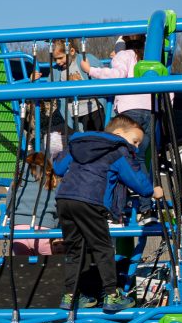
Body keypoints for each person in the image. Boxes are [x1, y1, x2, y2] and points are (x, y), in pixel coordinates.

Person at [49, 113, 160, 306]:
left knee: (75, 249)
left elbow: (58, 168)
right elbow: (137, 182)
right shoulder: (118, 149)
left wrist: (57, 145)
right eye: (135, 141)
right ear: (118, 133)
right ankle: (112, 295)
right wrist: (153, 191)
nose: (135, 147)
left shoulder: (79, 144)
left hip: (65, 199)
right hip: (91, 201)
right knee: (103, 247)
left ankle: (70, 296)